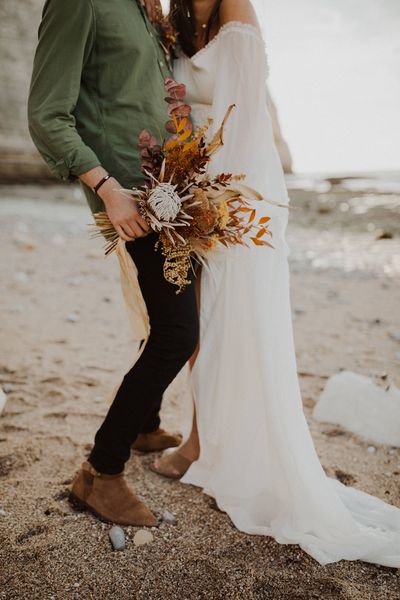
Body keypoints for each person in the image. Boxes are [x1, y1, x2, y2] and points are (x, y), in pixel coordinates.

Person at [151, 0, 400, 567]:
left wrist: (216, 203)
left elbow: (245, 121)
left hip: (240, 194)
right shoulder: (182, 19)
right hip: (198, 181)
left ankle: (204, 443)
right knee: (202, 321)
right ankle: (202, 438)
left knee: (232, 320)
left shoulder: (236, 10)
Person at [27, 0, 199, 526]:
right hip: (130, 195)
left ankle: (146, 423)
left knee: (167, 313)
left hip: (172, 190)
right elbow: (46, 114)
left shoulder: (147, 6)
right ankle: (101, 473)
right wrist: (108, 189)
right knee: (177, 331)